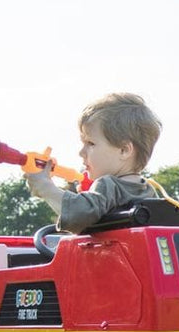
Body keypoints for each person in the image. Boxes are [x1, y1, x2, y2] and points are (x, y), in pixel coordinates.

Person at [25, 93, 162, 233]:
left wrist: (44, 187)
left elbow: (78, 215)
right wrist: (88, 195)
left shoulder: (108, 185)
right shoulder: (149, 191)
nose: (81, 152)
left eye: (90, 143)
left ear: (124, 150)